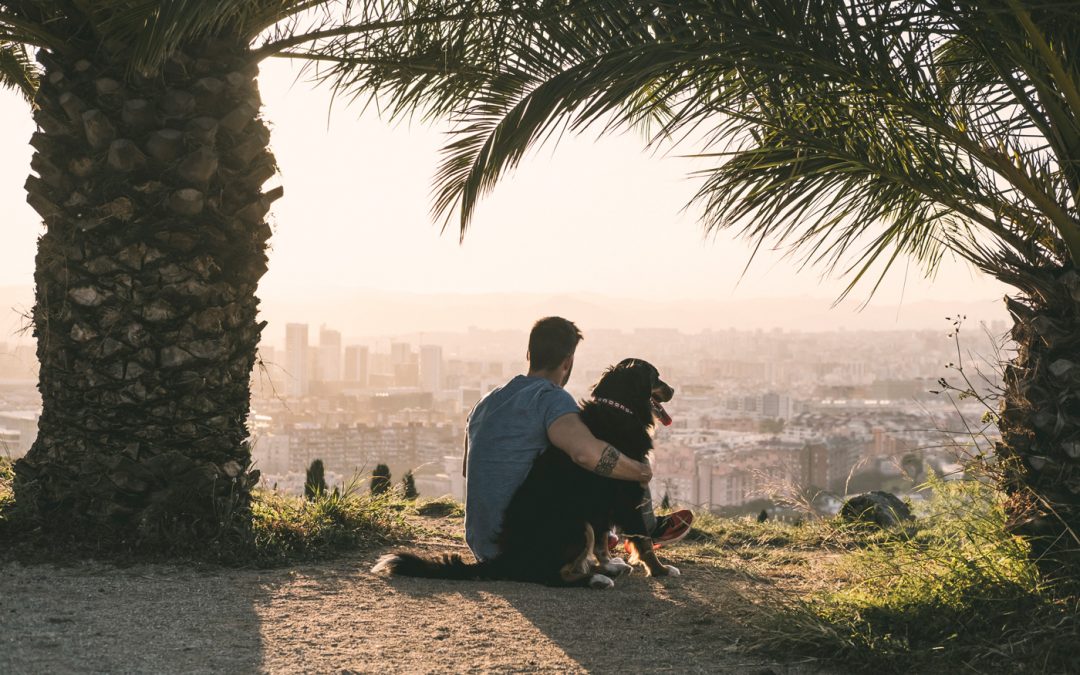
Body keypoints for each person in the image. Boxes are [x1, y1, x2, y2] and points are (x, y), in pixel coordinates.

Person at [462, 316, 691, 562]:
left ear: (529, 354)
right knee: (615, 461)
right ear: (568, 362)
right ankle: (646, 528)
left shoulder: (486, 402)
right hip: (524, 544)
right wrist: (641, 471)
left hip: (482, 543)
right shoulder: (551, 399)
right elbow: (586, 454)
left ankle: (602, 535)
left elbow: (468, 470)